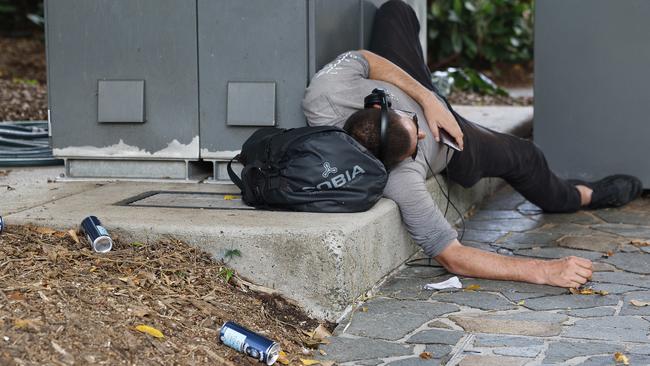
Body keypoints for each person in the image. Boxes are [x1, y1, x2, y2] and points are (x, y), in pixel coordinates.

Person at [302, 0, 643, 288]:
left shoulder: (324, 96)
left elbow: (366, 58)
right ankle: (581, 195)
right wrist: (544, 271)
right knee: (526, 155)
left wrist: (428, 100)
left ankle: (429, 92)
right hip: (454, 142)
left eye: (413, 127)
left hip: (422, 95)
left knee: (396, 10)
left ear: (377, 105)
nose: (420, 133)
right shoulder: (398, 181)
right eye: (414, 145)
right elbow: (453, 257)